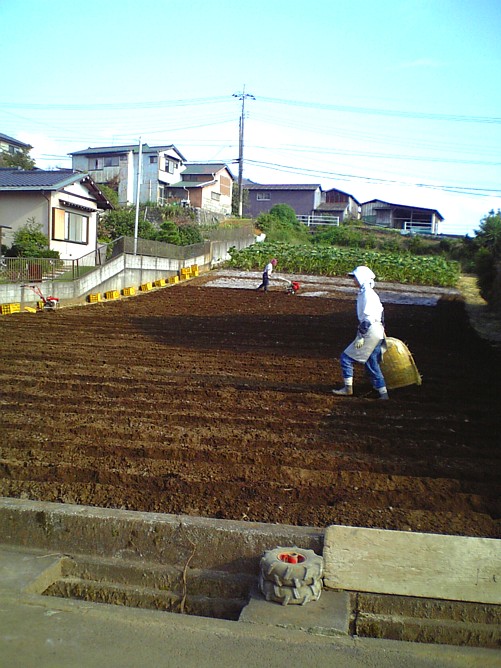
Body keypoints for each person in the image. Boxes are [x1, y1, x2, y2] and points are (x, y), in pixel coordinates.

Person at [332, 265, 389, 400]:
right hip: (377, 330)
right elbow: (381, 312)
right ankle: (383, 393)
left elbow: (368, 317)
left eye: (355, 278)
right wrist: (381, 330)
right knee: (371, 362)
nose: (353, 281)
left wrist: (361, 336)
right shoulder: (369, 293)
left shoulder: (367, 294)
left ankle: (348, 389)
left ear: (361, 278)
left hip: (370, 330)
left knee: (345, 358)